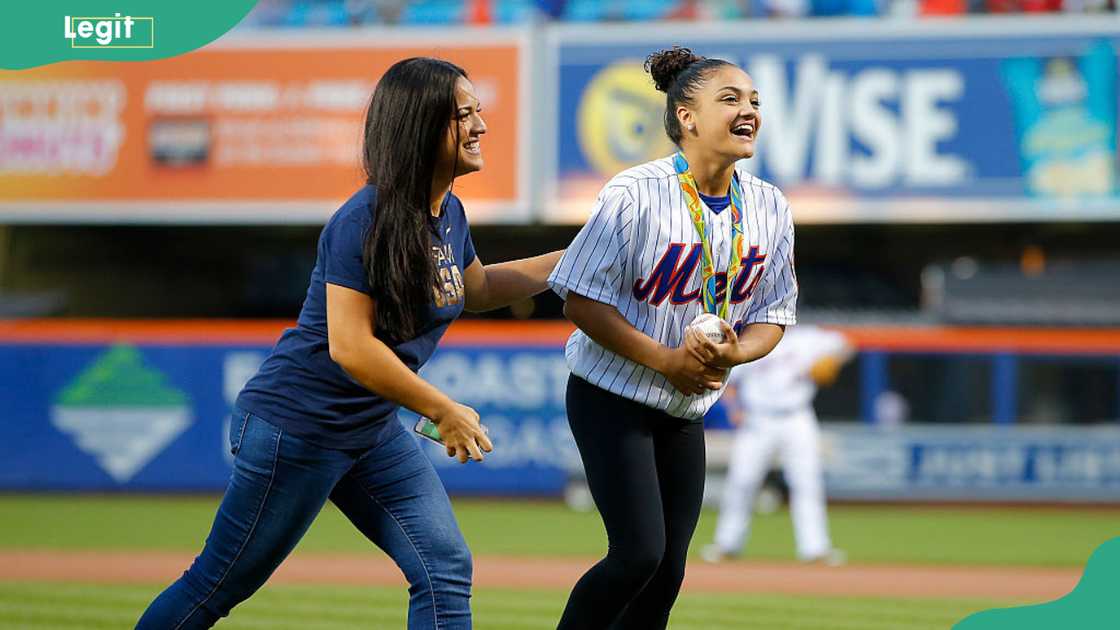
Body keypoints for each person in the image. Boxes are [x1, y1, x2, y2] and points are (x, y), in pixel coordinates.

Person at [136, 57, 562, 630]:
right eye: (464, 115)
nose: (481, 126)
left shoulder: (449, 212)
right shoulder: (363, 220)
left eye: (478, 112)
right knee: (218, 583)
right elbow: (351, 347)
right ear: (419, 124)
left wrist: (572, 261)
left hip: (368, 429)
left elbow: (477, 287)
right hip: (299, 427)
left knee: (443, 565)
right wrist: (442, 409)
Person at [548, 46, 798, 629]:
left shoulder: (769, 205)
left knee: (667, 573)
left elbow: (775, 312)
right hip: (611, 396)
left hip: (684, 406)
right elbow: (581, 298)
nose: (750, 110)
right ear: (686, 117)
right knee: (637, 555)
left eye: (755, 100)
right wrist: (664, 359)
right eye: (731, 98)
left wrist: (737, 351)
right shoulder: (633, 194)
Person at [702, 325, 853, 565]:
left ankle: (815, 548)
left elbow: (846, 345)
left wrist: (830, 360)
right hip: (757, 418)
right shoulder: (752, 340)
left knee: (807, 482)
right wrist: (733, 406)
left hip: (797, 417)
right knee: (742, 481)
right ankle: (727, 544)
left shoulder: (808, 338)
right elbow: (729, 379)